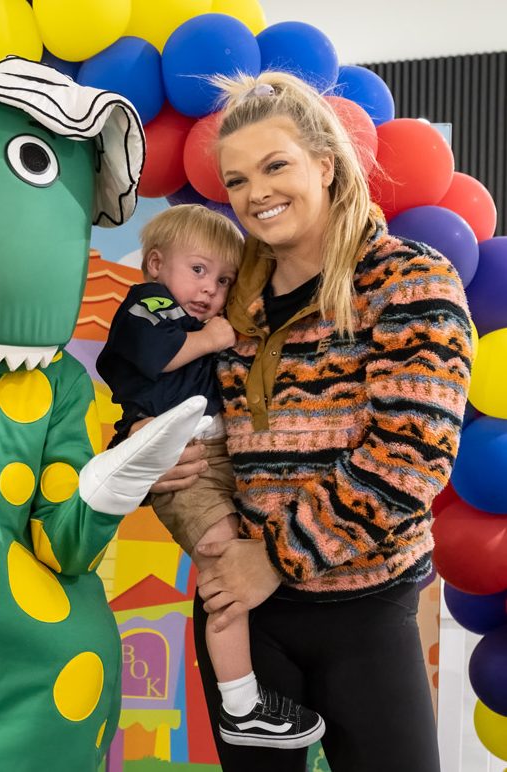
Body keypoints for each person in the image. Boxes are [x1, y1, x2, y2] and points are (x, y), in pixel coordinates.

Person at [166, 71, 472, 771]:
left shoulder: (408, 280)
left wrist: (273, 557)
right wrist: (174, 476)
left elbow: (409, 459)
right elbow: (172, 410)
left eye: (276, 166)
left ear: (326, 166)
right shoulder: (224, 300)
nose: (256, 194)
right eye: (237, 180)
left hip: (364, 611)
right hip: (244, 616)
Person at [98, 203, 325, 749]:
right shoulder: (147, 304)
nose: (208, 290)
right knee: (224, 566)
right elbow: (160, 355)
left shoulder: (196, 315)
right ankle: (241, 704)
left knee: (241, 556)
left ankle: (252, 693)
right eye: (197, 271)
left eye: (223, 280)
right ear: (155, 264)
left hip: (220, 455)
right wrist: (212, 338)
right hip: (186, 458)